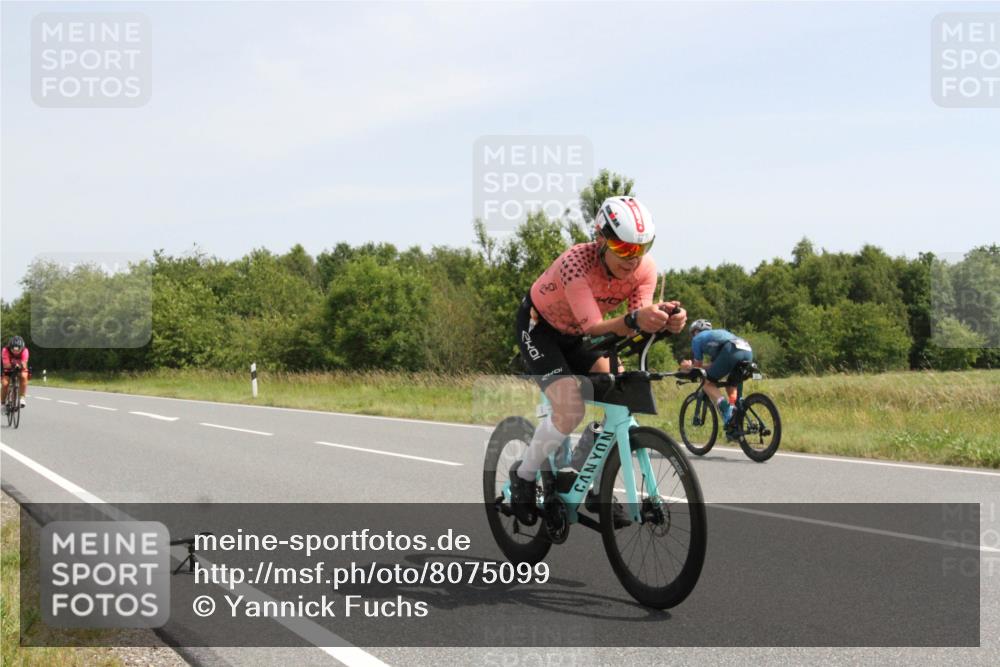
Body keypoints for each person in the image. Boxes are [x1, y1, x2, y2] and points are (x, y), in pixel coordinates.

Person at [511, 196, 687, 526]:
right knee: (571, 409)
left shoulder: (645, 269)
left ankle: (586, 481)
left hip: (578, 335)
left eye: (641, 248)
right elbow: (597, 325)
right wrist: (638, 320)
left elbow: (635, 323)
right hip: (540, 329)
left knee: (620, 394)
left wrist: (665, 322)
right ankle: (523, 475)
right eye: (624, 249)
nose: (633, 259)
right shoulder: (576, 264)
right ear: (601, 239)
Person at [679, 320, 753, 433]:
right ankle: (733, 417)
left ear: (696, 331)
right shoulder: (717, 336)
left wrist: (688, 366)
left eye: (692, 333)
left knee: (706, 383)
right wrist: (698, 366)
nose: (692, 336)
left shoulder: (697, 339)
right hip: (747, 350)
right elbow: (712, 366)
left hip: (731, 350)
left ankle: (726, 408)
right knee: (731, 384)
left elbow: (698, 367)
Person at [2, 335, 30, 411]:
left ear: (22, 348)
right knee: (5, 384)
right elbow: (6, 365)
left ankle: (22, 398)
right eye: (13, 350)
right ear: (10, 347)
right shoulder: (5, 350)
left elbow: (24, 364)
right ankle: (3, 403)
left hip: (20, 367)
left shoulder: (25, 350)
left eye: (18, 350)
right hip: (8, 368)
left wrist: (20, 365)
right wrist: (15, 364)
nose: (15, 352)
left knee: (24, 376)